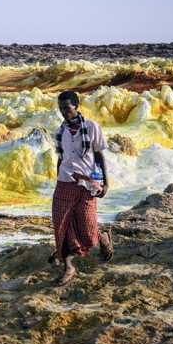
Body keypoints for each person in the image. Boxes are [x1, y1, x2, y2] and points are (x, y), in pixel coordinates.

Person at [51, 90, 113, 286]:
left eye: (67, 108)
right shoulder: (61, 130)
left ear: (76, 106)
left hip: (86, 183)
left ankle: (102, 237)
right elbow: (60, 158)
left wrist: (105, 183)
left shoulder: (92, 127)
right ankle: (68, 266)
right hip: (64, 182)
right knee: (60, 222)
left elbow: (100, 156)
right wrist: (57, 177)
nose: (63, 112)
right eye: (61, 108)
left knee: (87, 229)